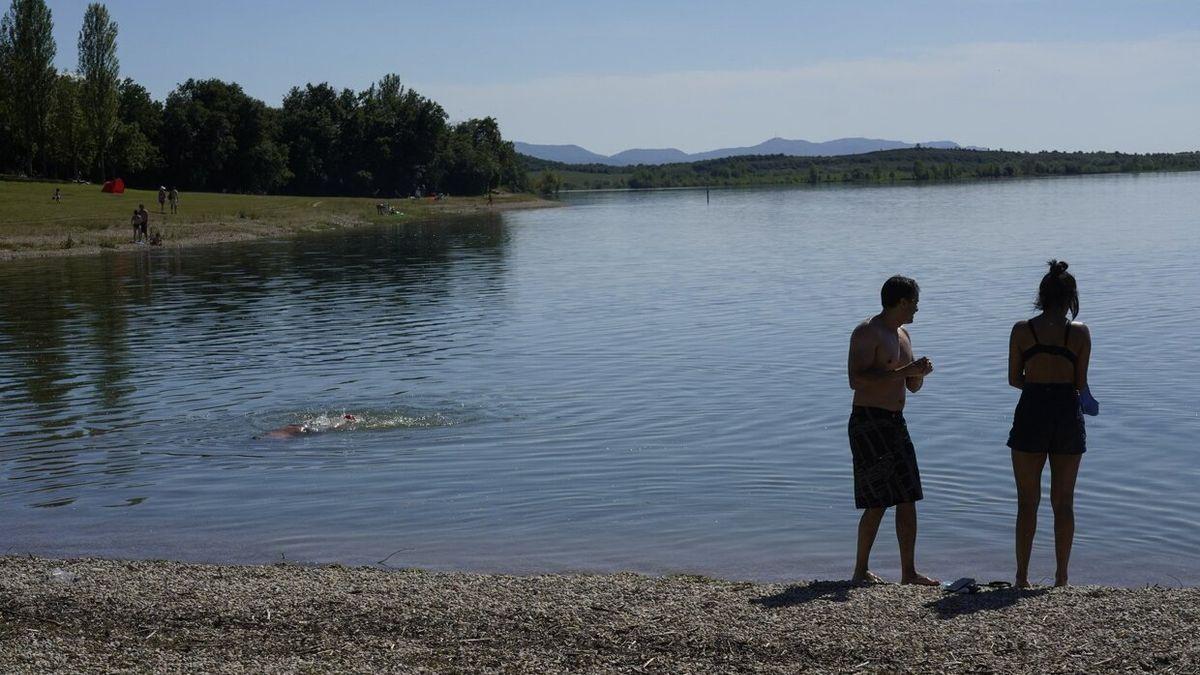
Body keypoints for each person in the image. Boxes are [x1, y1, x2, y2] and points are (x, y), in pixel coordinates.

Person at [846, 275, 938, 585]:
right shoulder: (867, 332)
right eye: (914, 303)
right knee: (877, 500)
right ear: (901, 302)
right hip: (868, 420)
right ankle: (860, 571)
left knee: (908, 495)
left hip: (896, 421)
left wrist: (919, 374)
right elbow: (856, 380)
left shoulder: (903, 335)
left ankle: (908, 572)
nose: (917, 309)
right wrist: (904, 371)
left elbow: (910, 386)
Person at [1007, 260, 1091, 588]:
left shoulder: (1022, 330)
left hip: (1032, 409)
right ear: (1071, 297)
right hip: (1067, 412)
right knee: (1064, 502)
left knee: (1027, 501)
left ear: (1041, 295)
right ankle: (1061, 578)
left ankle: (1022, 577)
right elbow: (1080, 383)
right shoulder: (1080, 332)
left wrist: (1037, 377)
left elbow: (1014, 379)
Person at [261, 414, 358, 439]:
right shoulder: (270, 435)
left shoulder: (276, 437)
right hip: (293, 428)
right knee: (321, 428)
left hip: (296, 430)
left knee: (323, 430)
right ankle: (345, 420)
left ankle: (345, 421)